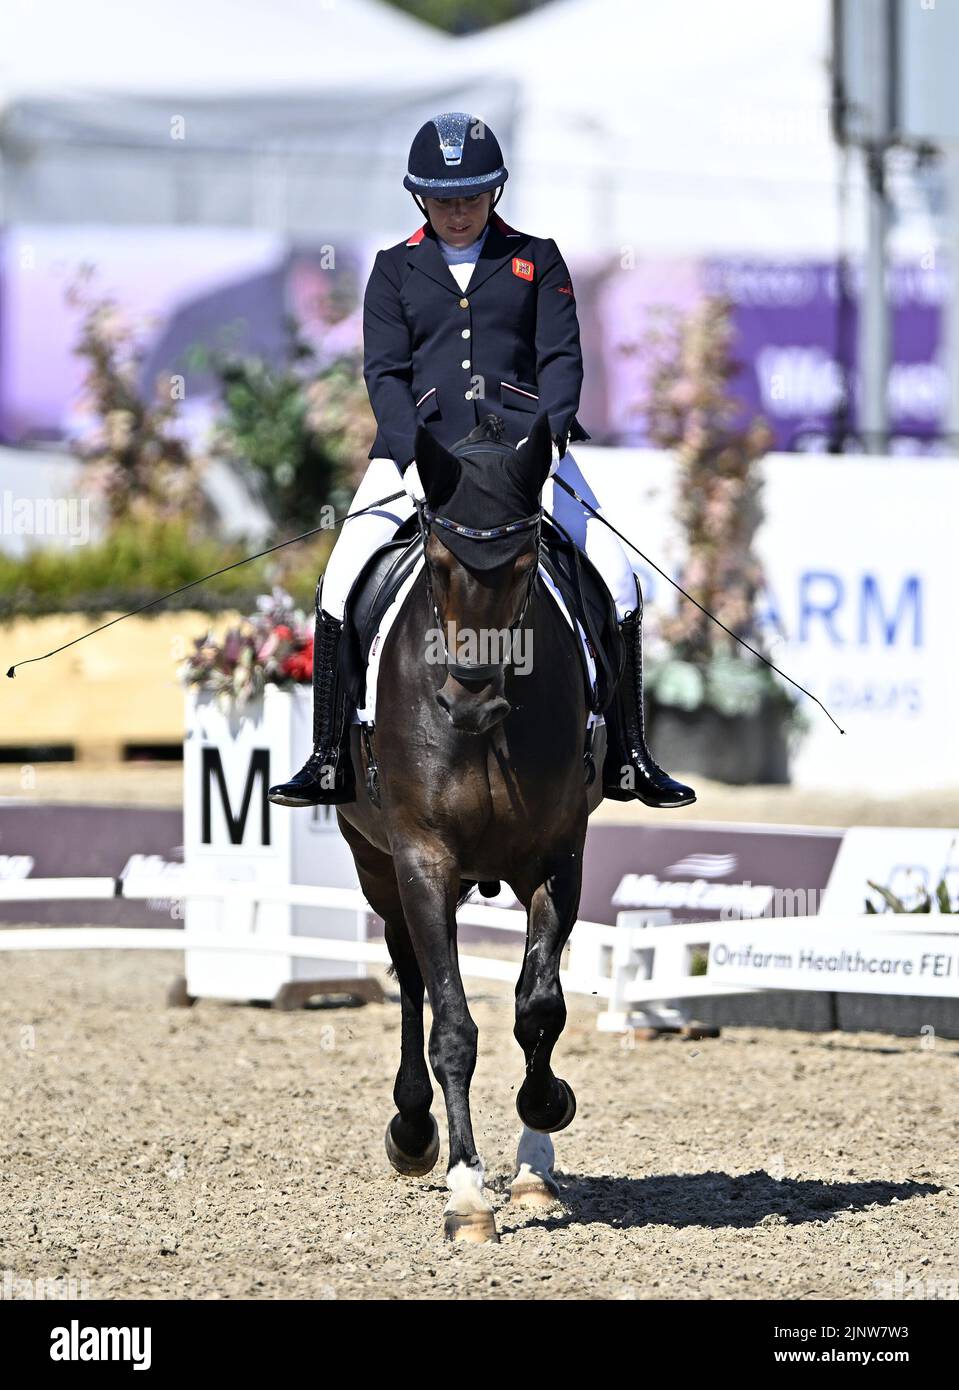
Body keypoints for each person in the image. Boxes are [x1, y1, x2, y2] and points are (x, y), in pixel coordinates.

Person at [269, 112, 695, 810]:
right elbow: (385, 377)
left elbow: (561, 359)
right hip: (423, 455)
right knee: (339, 580)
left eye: (470, 197)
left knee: (618, 580)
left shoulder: (536, 259)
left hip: (526, 453)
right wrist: (410, 462)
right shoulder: (393, 270)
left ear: (494, 192)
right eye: (443, 199)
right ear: (419, 199)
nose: (457, 212)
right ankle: (327, 757)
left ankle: (628, 755)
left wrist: (547, 443)